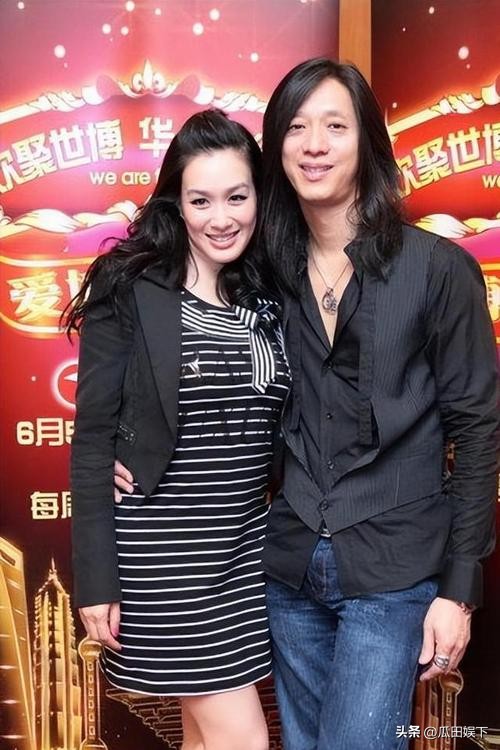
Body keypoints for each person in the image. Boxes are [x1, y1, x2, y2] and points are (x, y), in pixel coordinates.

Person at [253, 57, 498, 750]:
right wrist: (135, 449)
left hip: (394, 570)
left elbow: (478, 430)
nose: (315, 145)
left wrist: (458, 591)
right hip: (291, 564)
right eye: (296, 127)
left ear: (367, 141)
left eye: (335, 126)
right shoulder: (265, 271)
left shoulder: (438, 269)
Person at [66, 109, 290, 750]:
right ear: (177, 203)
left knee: (203, 737)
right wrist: (97, 579)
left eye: (237, 197)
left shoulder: (266, 292)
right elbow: (93, 439)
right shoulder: (131, 287)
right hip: (165, 557)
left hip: (244, 551)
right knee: (242, 740)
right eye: (201, 200)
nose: (221, 218)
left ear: (259, 197)